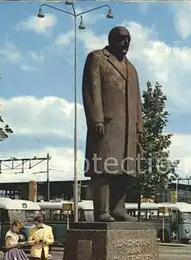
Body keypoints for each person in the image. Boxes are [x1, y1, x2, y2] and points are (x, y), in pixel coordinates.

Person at [82, 26, 143, 222]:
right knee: (103, 168)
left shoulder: (132, 69)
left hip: (127, 130)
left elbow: (137, 102)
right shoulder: (97, 58)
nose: (126, 42)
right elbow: (92, 90)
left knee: (123, 170)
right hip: (106, 124)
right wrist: (96, 118)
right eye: (122, 38)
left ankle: (118, 209)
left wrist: (138, 128)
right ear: (111, 39)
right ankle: (101, 211)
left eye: (129, 39)